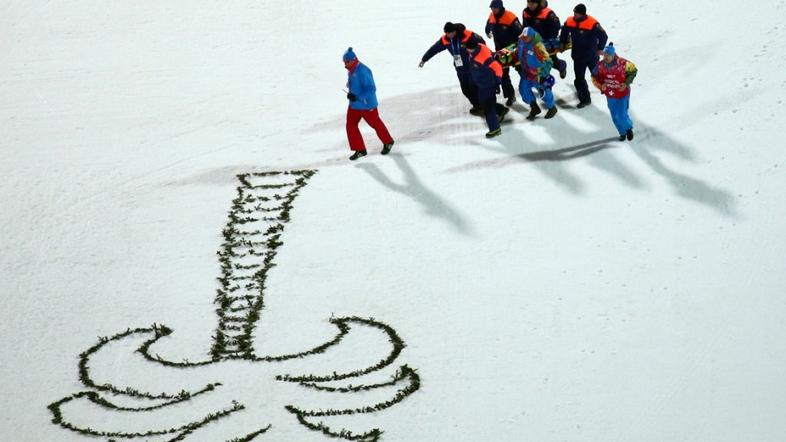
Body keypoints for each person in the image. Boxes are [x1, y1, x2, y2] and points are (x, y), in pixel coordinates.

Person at [420, 22, 486, 115]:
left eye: (450, 33)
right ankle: (477, 105)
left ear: (454, 31)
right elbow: (434, 49)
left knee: (474, 87)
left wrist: (480, 58)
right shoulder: (445, 39)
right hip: (460, 68)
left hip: (473, 67)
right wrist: (424, 59)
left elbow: (483, 44)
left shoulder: (467, 35)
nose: (449, 35)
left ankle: (485, 105)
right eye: (447, 33)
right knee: (465, 89)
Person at [343, 47, 394, 160]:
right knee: (350, 125)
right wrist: (351, 93)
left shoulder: (363, 70)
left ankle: (388, 142)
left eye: (347, 62)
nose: (345, 65)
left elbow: (371, 88)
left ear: (353, 60)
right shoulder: (351, 69)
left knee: (376, 124)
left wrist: (357, 97)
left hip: (367, 105)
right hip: (354, 105)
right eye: (344, 62)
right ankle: (360, 149)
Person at [559, 3, 608, 108]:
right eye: (574, 13)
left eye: (577, 13)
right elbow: (564, 31)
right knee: (579, 79)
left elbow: (604, 36)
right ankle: (585, 99)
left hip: (591, 56)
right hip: (578, 56)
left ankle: (609, 90)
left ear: (583, 14)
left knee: (597, 76)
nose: (575, 15)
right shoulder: (570, 21)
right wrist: (562, 42)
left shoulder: (592, 23)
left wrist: (600, 49)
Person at [591, 43, 637, 141]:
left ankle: (628, 128)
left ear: (613, 55)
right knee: (614, 116)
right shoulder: (600, 66)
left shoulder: (623, 63)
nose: (606, 57)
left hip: (622, 94)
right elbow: (594, 77)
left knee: (622, 114)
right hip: (610, 95)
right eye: (605, 55)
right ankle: (622, 132)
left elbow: (633, 71)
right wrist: (600, 86)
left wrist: (626, 83)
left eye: (608, 55)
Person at [465, 38, 508, 138]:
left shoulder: (482, 57)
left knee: (487, 106)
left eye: (467, 49)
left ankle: (495, 128)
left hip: (487, 84)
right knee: (485, 102)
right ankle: (501, 110)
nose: (466, 50)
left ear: (472, 48)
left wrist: (497, 82)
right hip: (481, 83)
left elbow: (497, 67)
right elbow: (492, 54)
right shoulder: (480, 46)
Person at [484, 0, 523, 106]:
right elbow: (488, 26)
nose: (493, 10)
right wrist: (487, 32)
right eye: (492, 8)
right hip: (500, 51)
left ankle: (531, 85)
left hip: (513, 50)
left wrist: (519, 48)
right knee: (502, 74)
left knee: (521, 70)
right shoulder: (491, 16)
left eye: (495, 8)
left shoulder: (510, 17)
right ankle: (510, 95)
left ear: (500, 7)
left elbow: (521, 33)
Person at [518, 27, 558, 120]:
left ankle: (552, 108)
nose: (523, 38)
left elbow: (548, 61)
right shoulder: (521, 41)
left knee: (543, 92)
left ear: (531, 37)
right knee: (523, 89)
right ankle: (534, 107)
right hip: (526, 72)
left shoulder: (538, 46)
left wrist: (543, 74)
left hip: (537, 74)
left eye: (525, 37)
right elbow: (518, 50)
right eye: (522, 37)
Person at [522, 0, 567, 79]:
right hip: (532, 42)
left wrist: (548, 40)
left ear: (538, 3)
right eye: (529, 2)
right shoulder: (526, 12)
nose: (530, 5)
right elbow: (525, 27)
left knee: (551, 61)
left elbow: (556, 27)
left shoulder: (548, 13)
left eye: (533, 3)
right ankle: (540, 82)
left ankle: (562, 66)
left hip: (546, 42)